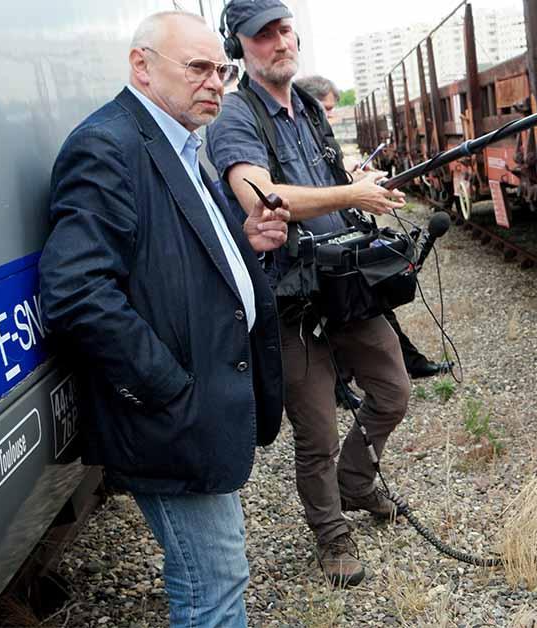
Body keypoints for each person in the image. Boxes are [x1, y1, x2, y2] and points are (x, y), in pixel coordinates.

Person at [39, 12, 290, 627]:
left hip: (195, 408)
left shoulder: (179, 143)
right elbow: (75, 290)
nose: (215, 83)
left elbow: (169, 256)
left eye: (222, 71)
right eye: (198, 68)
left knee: (214, 577)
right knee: (214, 585)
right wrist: (168, 387)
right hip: (173, 417)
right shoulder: (108, 145)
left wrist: (242, 241)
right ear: (142, 66)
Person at [206, 0, 410, 587]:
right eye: (263, 34)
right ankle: (332, 535)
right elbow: (263, 198)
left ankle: (357, 481)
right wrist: (349, 197)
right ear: (238, 47)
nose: (280, 42)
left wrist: (356, 183)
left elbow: (330, 180)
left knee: (393, 391)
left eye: (285, 30)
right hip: (288, 299)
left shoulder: (310, 110)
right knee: (317, 432)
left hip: (344, 286)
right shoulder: (235, 117)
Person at [293, 74, 452, 392]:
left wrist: (354, 177)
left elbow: (331, 180)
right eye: (326, 109)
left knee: (374, 300)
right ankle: (343, 385)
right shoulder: (293, 138)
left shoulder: (317, 137)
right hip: (316, 252)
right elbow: (307, 192)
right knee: (335, 317)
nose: (330, 116)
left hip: (341, 236)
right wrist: (352, 190)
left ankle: (410, 363)